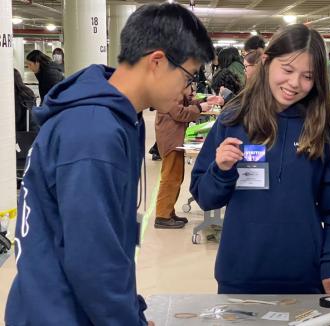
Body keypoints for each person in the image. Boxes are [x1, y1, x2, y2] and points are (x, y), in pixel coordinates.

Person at [6, 3, 214, 325]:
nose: (189, 91)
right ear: (157, 62)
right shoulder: (94, 131)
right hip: (63, 314)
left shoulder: (115, 118)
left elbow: (106, 243)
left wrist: (133, 311)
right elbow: (93, 263)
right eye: (188, 77)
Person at [190, 24, 330, 295]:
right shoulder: (233, 119)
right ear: (267, 62)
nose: (294, 83)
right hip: (240, 276)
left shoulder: (321, 129)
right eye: (287, 70)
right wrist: (220, 170)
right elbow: (205, 197)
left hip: (306, 279)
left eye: (307, 76)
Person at [154, 94, 223, 229]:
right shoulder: (168, 88)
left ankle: (168, 212)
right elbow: (179, 112)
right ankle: (162, 216)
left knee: (176, 176)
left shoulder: (175, 85)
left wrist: (203, 100)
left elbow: (185, 102)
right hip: (171, 137)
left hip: (174, 136)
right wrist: (198, 107)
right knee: (170, 177)